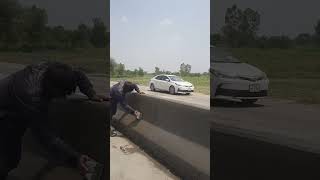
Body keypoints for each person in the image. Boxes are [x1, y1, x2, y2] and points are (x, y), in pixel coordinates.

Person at [0, 61, 108, 179]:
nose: (63, 97)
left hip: (14, 99)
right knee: (9, 157)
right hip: (5, 112)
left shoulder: (52, 70)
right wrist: (75, 157)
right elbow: (45, 135)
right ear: (51, 88)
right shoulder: (31, 97)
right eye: (60, 94)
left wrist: (91, 93)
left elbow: (78, 74)